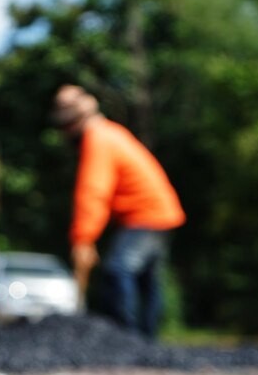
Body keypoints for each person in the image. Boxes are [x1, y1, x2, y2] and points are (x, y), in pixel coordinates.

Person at [52, 84, 186, 338]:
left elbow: (93, 192)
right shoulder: (111, 132)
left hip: (147, 215)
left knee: (118, 269)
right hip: (160, 212)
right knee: (147, 280)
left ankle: (125, 338)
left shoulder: (98, 139)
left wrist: (83, 239)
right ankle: (147, 341)